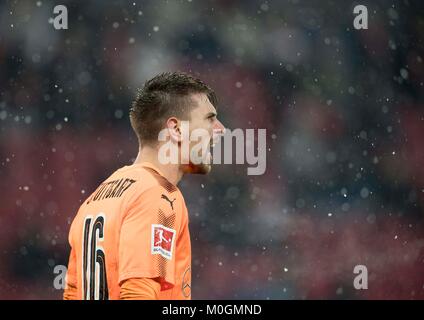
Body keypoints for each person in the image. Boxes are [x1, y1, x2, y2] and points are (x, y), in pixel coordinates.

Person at [63, 72, 225, 300]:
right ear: (176, 129)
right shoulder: (158, 195)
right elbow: (138, 291)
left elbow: (72, 293)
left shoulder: (97, 197)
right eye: (210, 118)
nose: (221, 129)